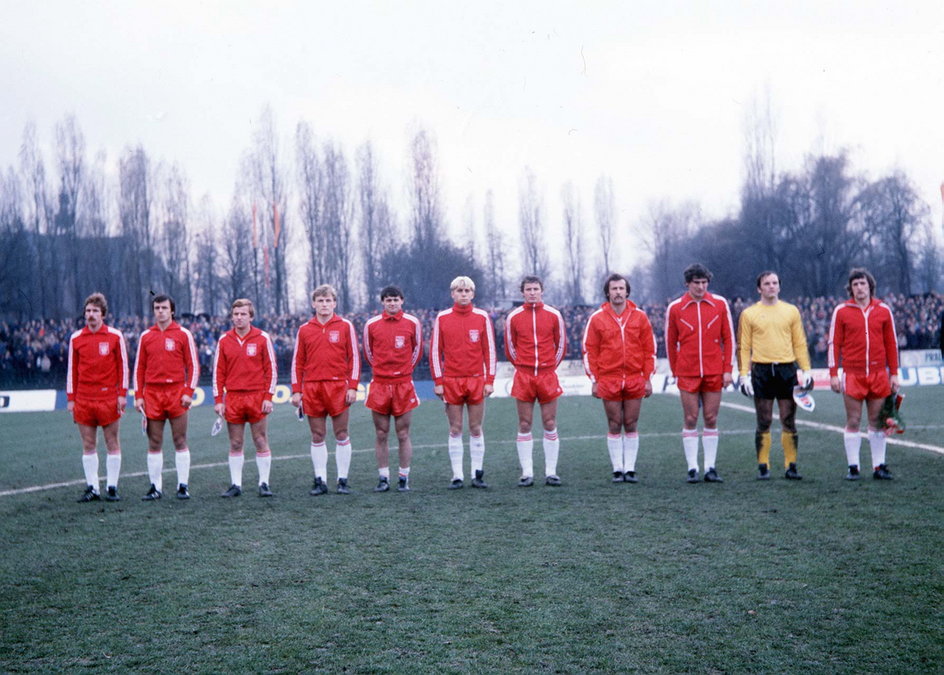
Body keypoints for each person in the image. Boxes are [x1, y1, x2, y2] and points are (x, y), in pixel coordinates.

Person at [736, 272, 812, 480]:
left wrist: (806, 370)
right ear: (759, 288)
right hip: (761, 370)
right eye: (767, 283)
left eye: (775, 283)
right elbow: (744, 347)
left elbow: (799, 342)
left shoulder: (791, 311)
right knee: (764, 419)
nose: (771, 286)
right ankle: (763, 466)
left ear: (779, 286)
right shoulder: (749, 314)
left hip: (787, 369)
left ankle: (791, 466)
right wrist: (744, 375)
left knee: (788, 419)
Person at [665, 263, 735, 483]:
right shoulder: (675, 308)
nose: (701, 287)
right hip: (688, 371)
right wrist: (676, 370)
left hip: (714, 370)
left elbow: (729, 338)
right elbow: (670, 341)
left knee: (711, 418)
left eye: (704, 282)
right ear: (688, 284)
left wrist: (727, 370)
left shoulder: (720, 304)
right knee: (691, 417)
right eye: (697, 283)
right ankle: (692, 468)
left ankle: (710, 468)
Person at [582, 273, 655, 483]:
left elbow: (649, 349)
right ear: (608, 292)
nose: (618, 292)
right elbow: (589, 350)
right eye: (614, 289)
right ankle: (617, 469)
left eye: (621, 288)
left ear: (627, 291)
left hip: (634, 377)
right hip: (609, 378)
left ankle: (630, 469)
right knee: (614, 423)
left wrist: (647, 377)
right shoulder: (597, 318)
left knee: (631, 422)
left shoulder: (640, 316)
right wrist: (594, 379)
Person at [828, 268, 900, 480]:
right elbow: (835, 343)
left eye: (863, 284)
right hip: (853, 374)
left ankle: (879, 466)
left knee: (877, 421)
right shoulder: (841, 311)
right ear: (850, 288)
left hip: (878, 374)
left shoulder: (883, 310)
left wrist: (894, 373)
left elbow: (891, 343)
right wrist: (833, 373)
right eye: (855, 284)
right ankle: (853, 467)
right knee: (853, 420)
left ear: (870, 286)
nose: (859, 288)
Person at [291, 285, 360, 495]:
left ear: (334, 303)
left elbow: (354, 358)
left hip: (338, 386)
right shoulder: (304, 329)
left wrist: (353, 386)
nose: (324, 304)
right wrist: (296, 390)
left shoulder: (345, 326)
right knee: (317, 434)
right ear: (313, 304)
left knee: (341, 433)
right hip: (312, 388)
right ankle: (320, 480)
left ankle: (342, 480)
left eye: (328, 300)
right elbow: (297, 362)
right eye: (320, 301)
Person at [430, 276, 497, 489]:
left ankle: (477, 474)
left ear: (473, 294)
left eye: (467, 290)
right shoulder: (442, 318)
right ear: (453, 294)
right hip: (451, 381)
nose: (464, 294)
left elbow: (490, 351)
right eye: (459, 290)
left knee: (476, 428)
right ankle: (457, 476)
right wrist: (439, 381)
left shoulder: (482, 317)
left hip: (477, 380)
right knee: (455, 428)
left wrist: (490, 380)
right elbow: (434, 352)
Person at [133, 294, 199, 500]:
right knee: (154, 441)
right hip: (152, 394)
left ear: (172, 310)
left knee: (180, 439)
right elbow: (139, 368)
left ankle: (183, 486)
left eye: (163, 308)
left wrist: (189, 392)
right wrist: (139, 396)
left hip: (177, 393)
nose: (160, 311)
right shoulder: (146, 336)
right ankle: (155, 487)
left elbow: (194, 366)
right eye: (156, 308)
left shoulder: (183, 334)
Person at [66, 292, 129, 502]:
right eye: (88, 311)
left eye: (95, 311)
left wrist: (122, 394)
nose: (90, 314)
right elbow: (71, 371)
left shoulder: (114, 336)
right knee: (88, 444)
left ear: (103, 314)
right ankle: (92, 488)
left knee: (112, 442)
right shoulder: (76, 338)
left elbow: (123, 367)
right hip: (84, 399)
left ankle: (112, 487)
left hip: (108, 398)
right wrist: (71, 398)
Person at [212, 298, 277, 498]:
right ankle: (236, 485)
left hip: (257, 396)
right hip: (233, 398)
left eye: (243, 314)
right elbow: (218, 372)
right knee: (236, 442)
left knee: (260, 439)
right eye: (236, 314)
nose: (239, 318)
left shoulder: (262, 338)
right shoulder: (224, 340)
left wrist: (268, 396)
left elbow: (271, 369)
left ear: (251, 316)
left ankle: (264, 483)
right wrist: (218, 400)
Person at [504, 275, 566, 487]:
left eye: (535, 289)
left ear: (542, 290)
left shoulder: (554, 315)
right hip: (524, 376)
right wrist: (524, 366)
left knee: (549, 422)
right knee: (524, 423)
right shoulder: (513, 317)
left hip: (547, 374)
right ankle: (527, 473)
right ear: (522, 292)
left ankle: (551, 472)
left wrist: (548, 367)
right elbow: (510, 347)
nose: (532, 292)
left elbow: (561, 346)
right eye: (528, 289)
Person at [363, 286, 423, 493]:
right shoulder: (371, 325)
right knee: (381, 433)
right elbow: (369, 353)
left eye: (395, 299)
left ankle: (404, 477)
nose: (392, 303)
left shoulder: (412, 323)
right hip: (379, 384)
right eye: (388, 300)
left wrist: (403, 372)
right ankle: (383, 477)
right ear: (382, 302)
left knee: (403, 433)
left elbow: (417, 351)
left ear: (402, 301)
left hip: (403, 384)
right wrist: (383, 373)